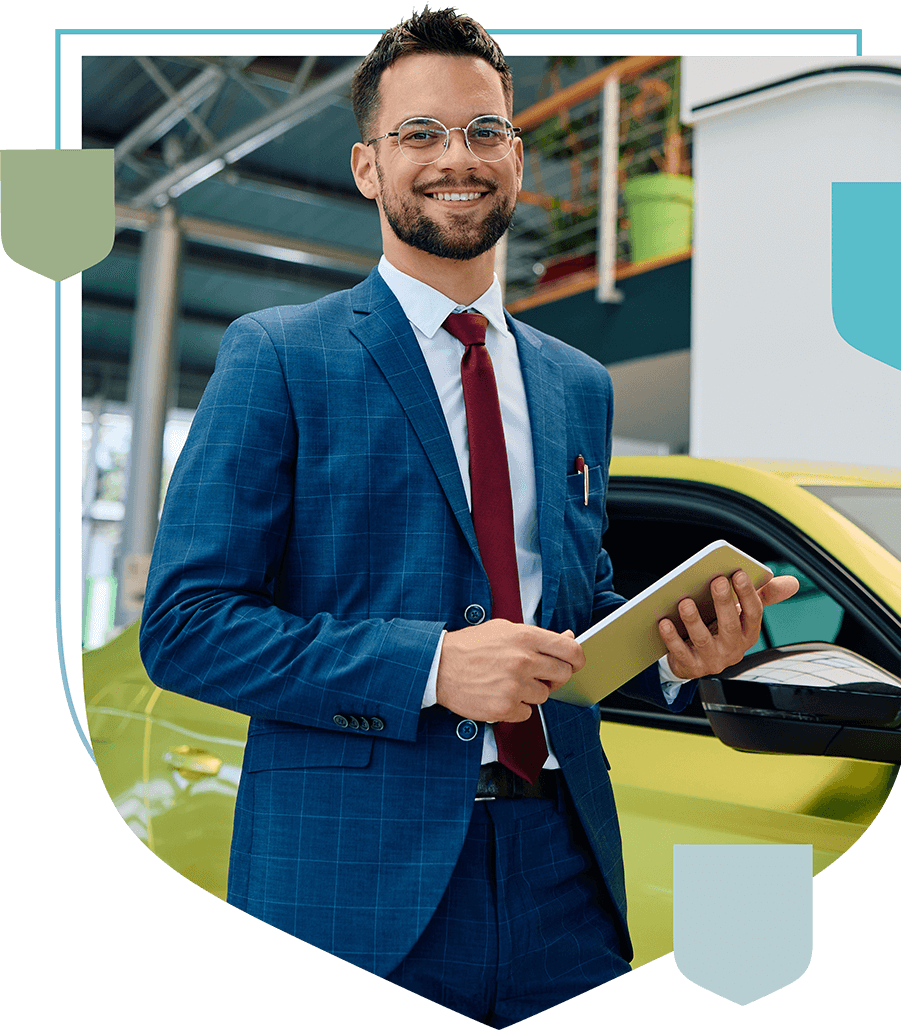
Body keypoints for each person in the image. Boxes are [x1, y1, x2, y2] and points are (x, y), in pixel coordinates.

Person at [139, 9, 798, 1025]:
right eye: (420, 133)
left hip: (564, 870)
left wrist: (677, 649)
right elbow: (185, 629)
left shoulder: (578, 382)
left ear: (518, 159)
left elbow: (573, 605)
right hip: (350, 883)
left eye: (484, 130)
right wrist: (434, 667)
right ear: (367, 166)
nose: (458, 156)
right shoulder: (278, 355)